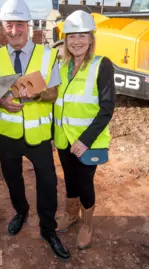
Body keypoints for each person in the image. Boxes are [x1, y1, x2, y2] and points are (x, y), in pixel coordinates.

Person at [0, 0, 71, 261]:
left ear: (29, 26)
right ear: (3, 27)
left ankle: (48, 229)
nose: (15, 30)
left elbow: (55, 92)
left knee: (47, 184)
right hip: (8, 135)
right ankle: (21, 211)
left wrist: (37, 95)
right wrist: (1, 100)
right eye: (9, 25)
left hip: (38, 136)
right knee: (13, 179)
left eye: (19, 24)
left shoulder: (47, 55)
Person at [54, 10, 115, 250]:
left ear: (91, 38)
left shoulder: (102, 65)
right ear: (66, 40)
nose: (76, 41)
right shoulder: (61, 65)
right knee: (69, 179)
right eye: (71, 36)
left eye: (82, 35)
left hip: (88, 142)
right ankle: (71, 215)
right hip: (63, 138)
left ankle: (87, 224)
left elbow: (107, 107)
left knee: (85, 183)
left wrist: (86, 140)